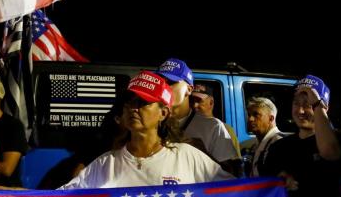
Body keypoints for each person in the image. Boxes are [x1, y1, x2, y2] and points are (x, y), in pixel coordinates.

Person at [59, 70, 233, 189]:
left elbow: (237, 192)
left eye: (142, 103)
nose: (133, 108)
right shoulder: (105, 164)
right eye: (129, 102)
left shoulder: (187, 156)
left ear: (163, 113)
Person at [155, 58, 242, 176]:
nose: (163, 87)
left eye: (170, 82)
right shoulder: (151, 122)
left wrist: (203, 154)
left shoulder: (212, 127)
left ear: (189, 89)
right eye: (160, 82)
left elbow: (232, 175)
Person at [191, 83, 241, 157]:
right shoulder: (187, 126)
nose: (194, 105)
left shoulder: (225, 130)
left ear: (211, 102)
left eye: (199, 101)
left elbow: (233, 165)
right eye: (192, 100)